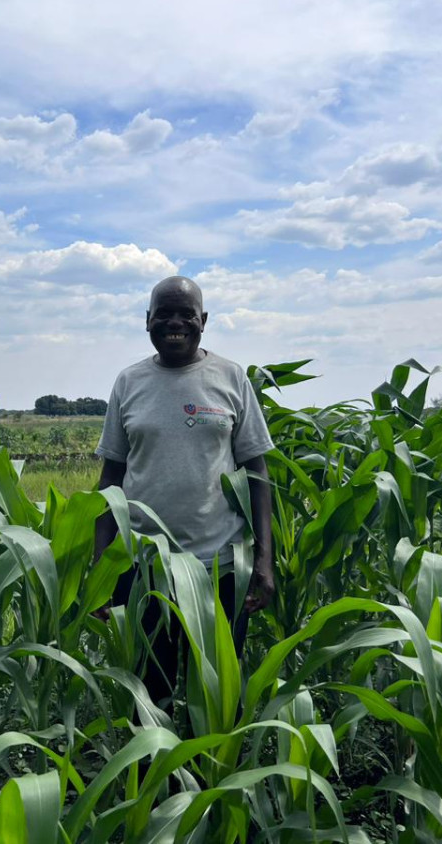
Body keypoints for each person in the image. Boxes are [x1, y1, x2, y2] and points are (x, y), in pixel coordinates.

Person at [92, 275, 275, 708]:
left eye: (185, 314)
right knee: (149, 693)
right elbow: (110, 477)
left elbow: (257, 471)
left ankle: (208, 776)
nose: (175, 323)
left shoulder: (231, 378)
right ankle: (154, 775)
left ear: (203, 321)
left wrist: (265, 561)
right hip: (144, 569)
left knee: (212, 696)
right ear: (148, 320)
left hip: (221, 569)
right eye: (164, 314)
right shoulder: (129, 382)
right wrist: (101, 566)